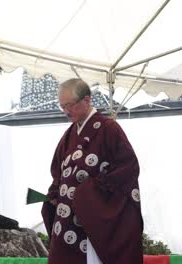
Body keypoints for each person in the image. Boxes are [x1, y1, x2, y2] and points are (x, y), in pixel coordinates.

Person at [41, 78, 143, 264]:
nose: (66, 111)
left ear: (86, 100)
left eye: (70, 105)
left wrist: (90, 193)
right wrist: (54, 194)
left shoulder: (109, 128)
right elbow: (58, 173)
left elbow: (128, 168)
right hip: (68, 219)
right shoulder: (68, 135)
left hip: (95, 219)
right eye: (62, 106)